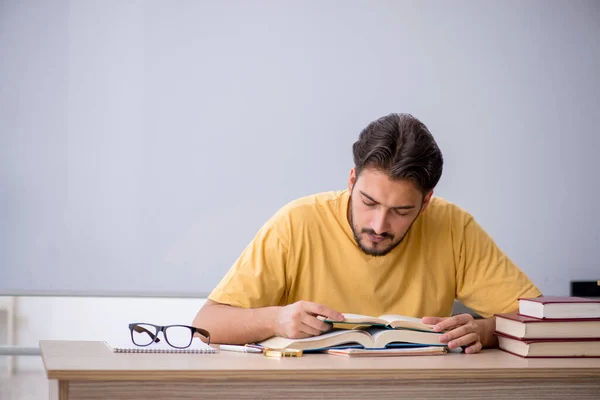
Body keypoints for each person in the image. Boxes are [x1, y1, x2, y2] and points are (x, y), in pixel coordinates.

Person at [192, 113, 541, 354]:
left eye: (401, 211)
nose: (378, 225)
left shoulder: (453, 226)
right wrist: (276, 319)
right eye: (368, 202)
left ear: (425, 203)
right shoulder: (297, 222)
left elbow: (538, 320)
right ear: (351, 181)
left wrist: (484, 331)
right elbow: (208, 324)